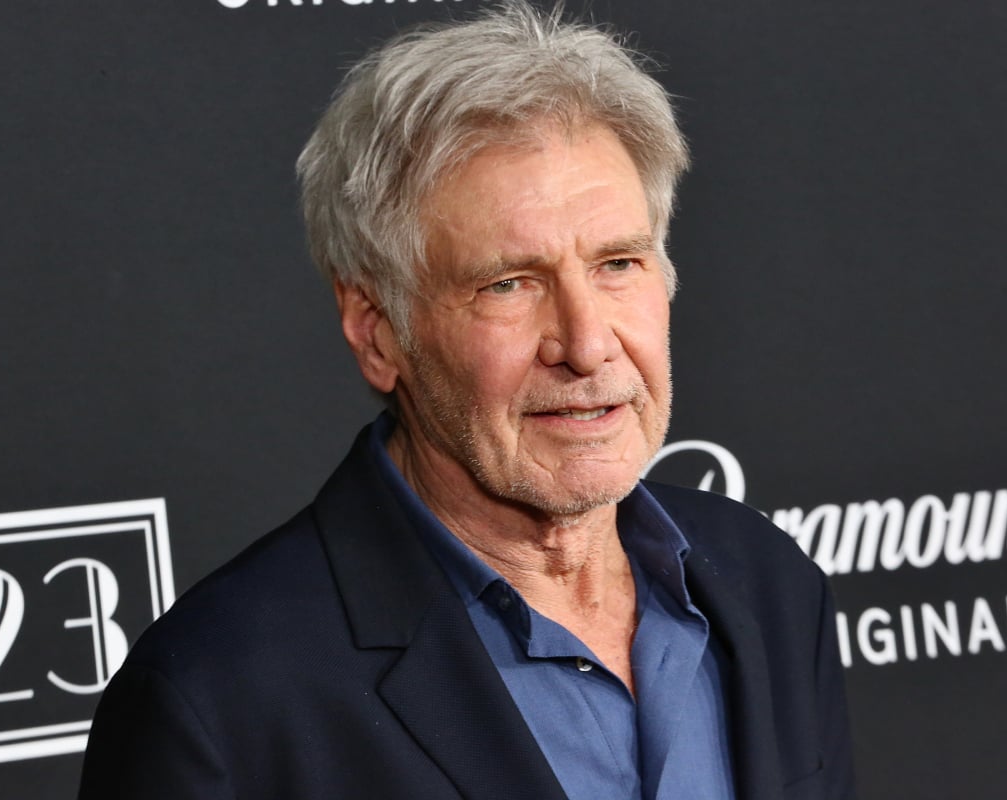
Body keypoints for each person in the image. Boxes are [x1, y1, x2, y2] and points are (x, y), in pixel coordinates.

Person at [78, 2, 856, 798]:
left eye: (618, 264)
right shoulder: (220, 700)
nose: (587, 344)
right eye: (508, 284)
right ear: (378, 333)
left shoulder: (768, 586)